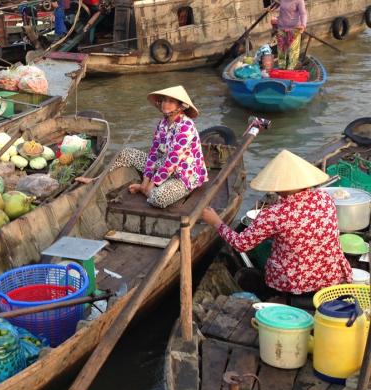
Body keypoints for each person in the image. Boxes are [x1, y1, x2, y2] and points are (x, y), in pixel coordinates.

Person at [202, 150, 351, 298]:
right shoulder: (324, 198)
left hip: (295, 284)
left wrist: (216, 222)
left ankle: (279, 296)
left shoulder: (274, 214)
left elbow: (241, 244)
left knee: (249, 275)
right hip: (331, 276)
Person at [108, 85, 208, 208]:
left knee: (158, 198)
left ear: (180, 106)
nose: (166, 104)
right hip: (164, 165)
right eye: (164, 100)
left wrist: (151, 184)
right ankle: (100, 180)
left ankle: (148, 192)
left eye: (171, 101)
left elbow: (172, 161)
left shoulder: (186, 126)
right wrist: (145, 182)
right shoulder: (162, 124)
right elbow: (153, 153)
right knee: (126, 153)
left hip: (183, 174)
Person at [271, 0, 307, 69]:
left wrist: (303, 25)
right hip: (281, 25)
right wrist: (270, 8)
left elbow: (303, 13)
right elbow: (276, 3)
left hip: (295, 27)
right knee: (281, 47)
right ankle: (282, 67)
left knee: (292, 49)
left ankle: (291, 68)